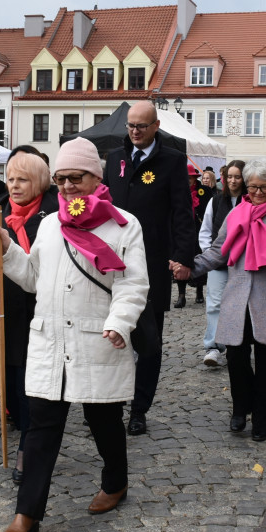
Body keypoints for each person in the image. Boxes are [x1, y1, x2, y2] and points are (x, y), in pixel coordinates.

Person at [0, 137, 149, 532]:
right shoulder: (49, 223)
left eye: (75, 178)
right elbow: (32, 278)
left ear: (95, 177)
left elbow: (133, 284)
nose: (66, 186)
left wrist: (120, 322)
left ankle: (116, 482)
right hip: (50, 340)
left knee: (103, 422)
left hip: (97, 338)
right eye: (61, 179)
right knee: (41, 428)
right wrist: (7, 249)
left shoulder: (123, 223)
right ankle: (26, 513)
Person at [186, 158, 266, 441]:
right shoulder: (236, 214)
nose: (257, 193)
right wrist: (190, 268)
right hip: (238, 297)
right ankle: (240, 410)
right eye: (253, 186)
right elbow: (218, 251)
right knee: (237, 360)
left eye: (264, 187)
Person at [0, 152, 58, 485]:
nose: (15, 186)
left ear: (39, 182)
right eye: (12, 178)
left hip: (38, 312)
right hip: (2, 310)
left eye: (23, 179)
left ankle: (27, 449)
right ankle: (23, 421)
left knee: (27, 386)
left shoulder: (54, 214)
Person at [103, 100, 195, 436]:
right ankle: (107, 402)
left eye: (142, 126)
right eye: (131, 126)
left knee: (149, 338)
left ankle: (139, 408)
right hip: (111, 261)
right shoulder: (115, 159)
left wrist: (183, 256)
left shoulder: (172, 160)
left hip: (151, 261)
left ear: (156, 126)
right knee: (111, 333)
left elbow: (182, 212)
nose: (135, 131)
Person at [198, 160, 245, 368]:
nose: (233, 181)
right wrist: (208, 253)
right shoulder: (216, 201)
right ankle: (213, 346)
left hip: (244, 263)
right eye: (230, 177)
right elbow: (206, 229)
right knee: (215, 304)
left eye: (237, 176)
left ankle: (237, 345)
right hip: (218, 263)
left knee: (240, 305)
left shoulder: (250, 201)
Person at [175, 163, 213, 307]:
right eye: (186, 178)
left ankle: (199, 292)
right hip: (182, 231)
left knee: (199, 260)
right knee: (181, 261)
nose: (188, 180)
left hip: (199, 230)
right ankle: (181, 294)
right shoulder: (178, 190)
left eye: (191, 178)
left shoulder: (204, 190)